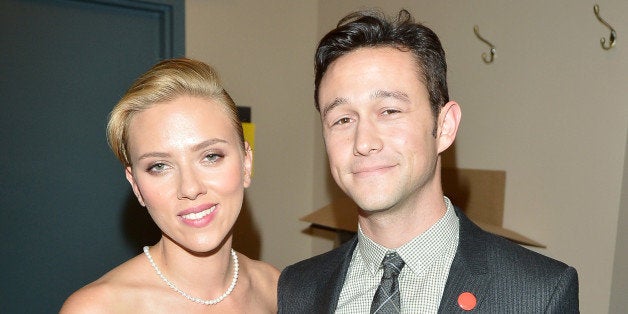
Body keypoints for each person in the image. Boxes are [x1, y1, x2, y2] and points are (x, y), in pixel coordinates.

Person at [278, 9, 579, 313]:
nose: (364, 142)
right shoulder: (298, 288)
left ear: (445, 126)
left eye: (389, 111)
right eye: (342, 119)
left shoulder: (537, 293)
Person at [61, 58, 279, 313]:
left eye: (211, 156)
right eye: (159, 166)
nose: (189, 188)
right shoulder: (98, 308)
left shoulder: (276, 289)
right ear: (136, 185)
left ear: (246, 163)